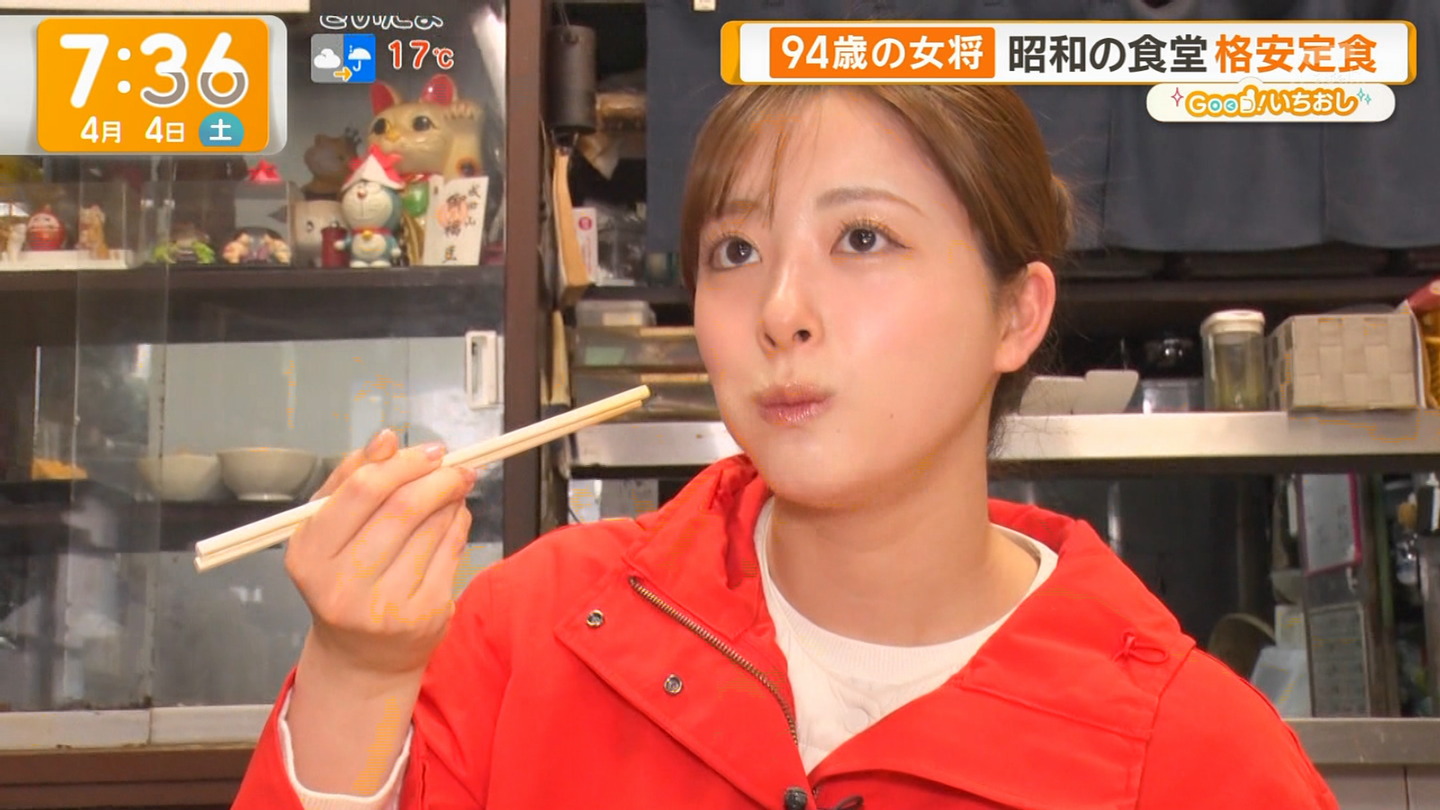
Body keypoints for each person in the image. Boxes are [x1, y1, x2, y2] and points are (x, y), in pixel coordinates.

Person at [233, 84, 1339, 809]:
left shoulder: (1195, 756)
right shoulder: (534, 631)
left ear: (1016, 314)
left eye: (863, 237)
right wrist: (357, 673)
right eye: (735, 250)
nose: (780, 311)